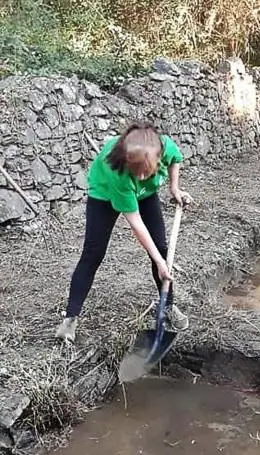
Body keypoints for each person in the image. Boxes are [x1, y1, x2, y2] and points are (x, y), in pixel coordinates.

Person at [55, 122, 194, 342]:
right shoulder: (118, 172)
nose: (140, 178)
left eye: (145, 172)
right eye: (136, 172)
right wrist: (159, 262)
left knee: (161, 248)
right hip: (104, 196)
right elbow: (136, 223)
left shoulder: (162, 146)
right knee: (93, 254)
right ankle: (70, 319)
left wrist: (174, 188)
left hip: (145, 196)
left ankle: (167, 306)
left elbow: (176, 159)